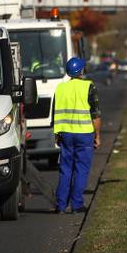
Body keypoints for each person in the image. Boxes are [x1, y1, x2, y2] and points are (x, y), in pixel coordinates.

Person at [53, 56, 101, 214]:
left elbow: (57, 114)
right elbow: (96, 115)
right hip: (84, 134)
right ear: (81, 70)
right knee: (81, 169)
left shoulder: (60, 88)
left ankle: (60, 205)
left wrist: (57, 135)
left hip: (65, 133)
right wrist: (98, 135)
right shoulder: (89, 86)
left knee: (65, 169)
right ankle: (76, 204)